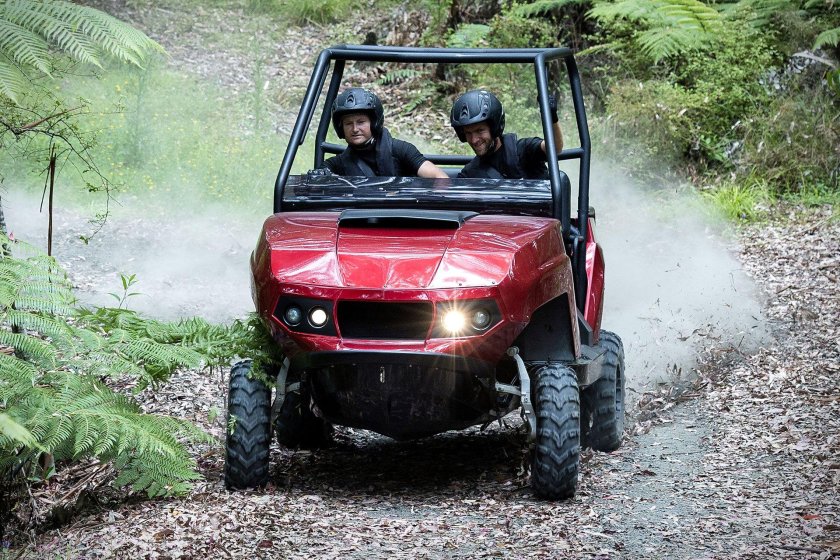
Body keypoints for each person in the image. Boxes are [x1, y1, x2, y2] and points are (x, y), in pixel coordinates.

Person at [319, 87, 448, 178]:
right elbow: (317, 181)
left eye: (361, 122)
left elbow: (439, 178)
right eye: (348, 124)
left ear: (374, 123)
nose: (355, 129)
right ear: (341, 128)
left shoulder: (401, 150)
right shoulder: (336, 164)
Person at [450, 89, 564, 179]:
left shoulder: (522, 150)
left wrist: (552, 117)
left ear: (494, 128)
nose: (474, 140)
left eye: (480, 131)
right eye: (468, 133)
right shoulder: (471, 172)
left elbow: (555, 148)